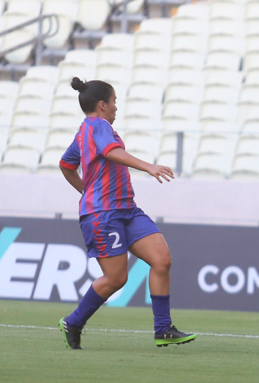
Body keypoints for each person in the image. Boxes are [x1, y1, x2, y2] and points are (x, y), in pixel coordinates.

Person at [57, 77, 196, 350]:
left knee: (161, 260)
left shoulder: (86, 132)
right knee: (117, 278)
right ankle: (73, 322)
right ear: (102, 105)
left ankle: (163, 329)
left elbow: (65, 164)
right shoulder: (98, 126)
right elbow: (110, 152)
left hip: (126, 209)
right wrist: (149, 167)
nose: (116, 107)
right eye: (114, 102)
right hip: (103, 214)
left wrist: (85, 190)